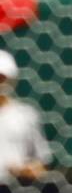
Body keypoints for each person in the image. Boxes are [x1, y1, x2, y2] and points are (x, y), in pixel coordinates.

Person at [0, 49, 49, 181]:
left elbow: (41, 163)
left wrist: (25, 170)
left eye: (0, 78)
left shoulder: (25, 115)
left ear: (11, 80)